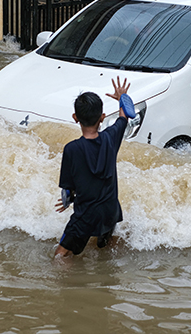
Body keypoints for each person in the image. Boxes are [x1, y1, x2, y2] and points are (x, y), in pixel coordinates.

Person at [54, 76, 132, 257]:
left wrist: (68, 201)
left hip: (86, 215)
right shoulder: (111, 138)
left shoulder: (71, 149)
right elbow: (123, 118)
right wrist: (122, 97)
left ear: (75, 118)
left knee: (60, 255)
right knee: (105, 248)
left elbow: (69, 188)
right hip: (111, 210)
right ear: (102, 117)